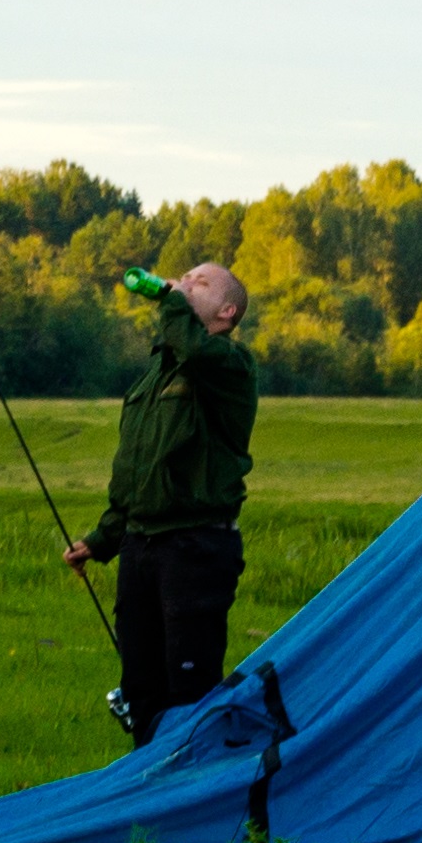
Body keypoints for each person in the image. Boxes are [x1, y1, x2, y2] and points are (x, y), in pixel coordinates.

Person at [64, 262, 259, 741]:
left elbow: (194, 349)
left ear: (227, 311)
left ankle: (195, 793)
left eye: (201, 282)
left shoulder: (229, 366)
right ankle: (146, 792)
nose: (186, 282)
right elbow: (137, 466)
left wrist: (170, 299)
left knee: (189, 687)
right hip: (141, 547)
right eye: (185, 277)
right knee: (141, 685)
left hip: (194, 548)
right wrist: (104, 538)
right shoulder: (156, 372)